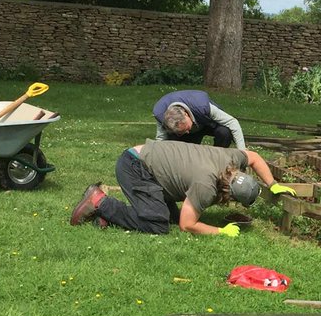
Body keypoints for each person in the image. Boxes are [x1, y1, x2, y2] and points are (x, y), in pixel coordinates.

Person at [69, 141, 296, 236]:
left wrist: (273, 184)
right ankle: (100, 202)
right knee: (158, 224)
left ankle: (109, 216)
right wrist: (220, 232)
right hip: (135, 166)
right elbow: (187, 225)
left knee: (167, 216)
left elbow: (254, 157)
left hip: (148, 165)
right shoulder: (205, 186)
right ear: (230, 194)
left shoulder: (232, 159)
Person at [152, 89, 245, 149]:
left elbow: (232, 122)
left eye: (187, 128)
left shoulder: (202, 105)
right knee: (172, 142)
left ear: (185, 114)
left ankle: (218, 160)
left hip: (206, 122)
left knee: (224, 132)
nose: (188, 131)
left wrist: (243, 151)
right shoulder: (161, 113)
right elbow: (161, 139)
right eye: (183, 131)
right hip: (188, 129)